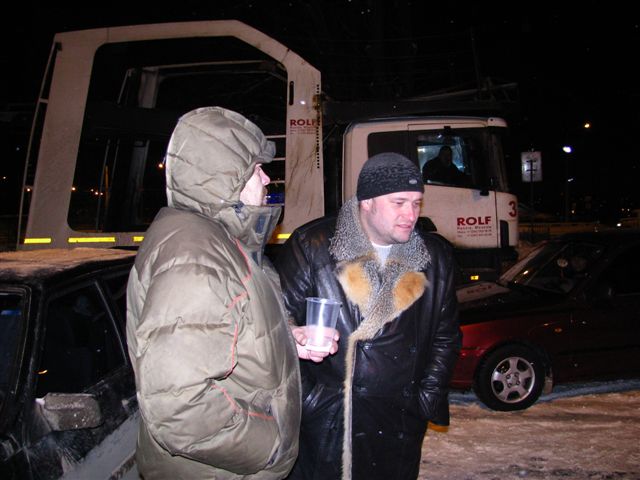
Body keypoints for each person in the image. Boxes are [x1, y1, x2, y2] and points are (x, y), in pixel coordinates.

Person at [126, 107, 301, 479]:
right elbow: (179, 408)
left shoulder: (220, 241)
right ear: (224, 177)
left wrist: (288, 338)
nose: (266, 177)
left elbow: (236, 329)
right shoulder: (195, 259)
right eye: (256, 169)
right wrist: (269, 445)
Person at [275, 152, 462, 480]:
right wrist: (311, 402)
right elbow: (277, 324)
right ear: (367, 202)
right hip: (330, 425)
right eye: (399, 202)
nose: (411, 215)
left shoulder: (435, 257)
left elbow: (446, 336)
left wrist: (426, 396)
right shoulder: (313, 246)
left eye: (416, 203)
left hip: (399, 422)